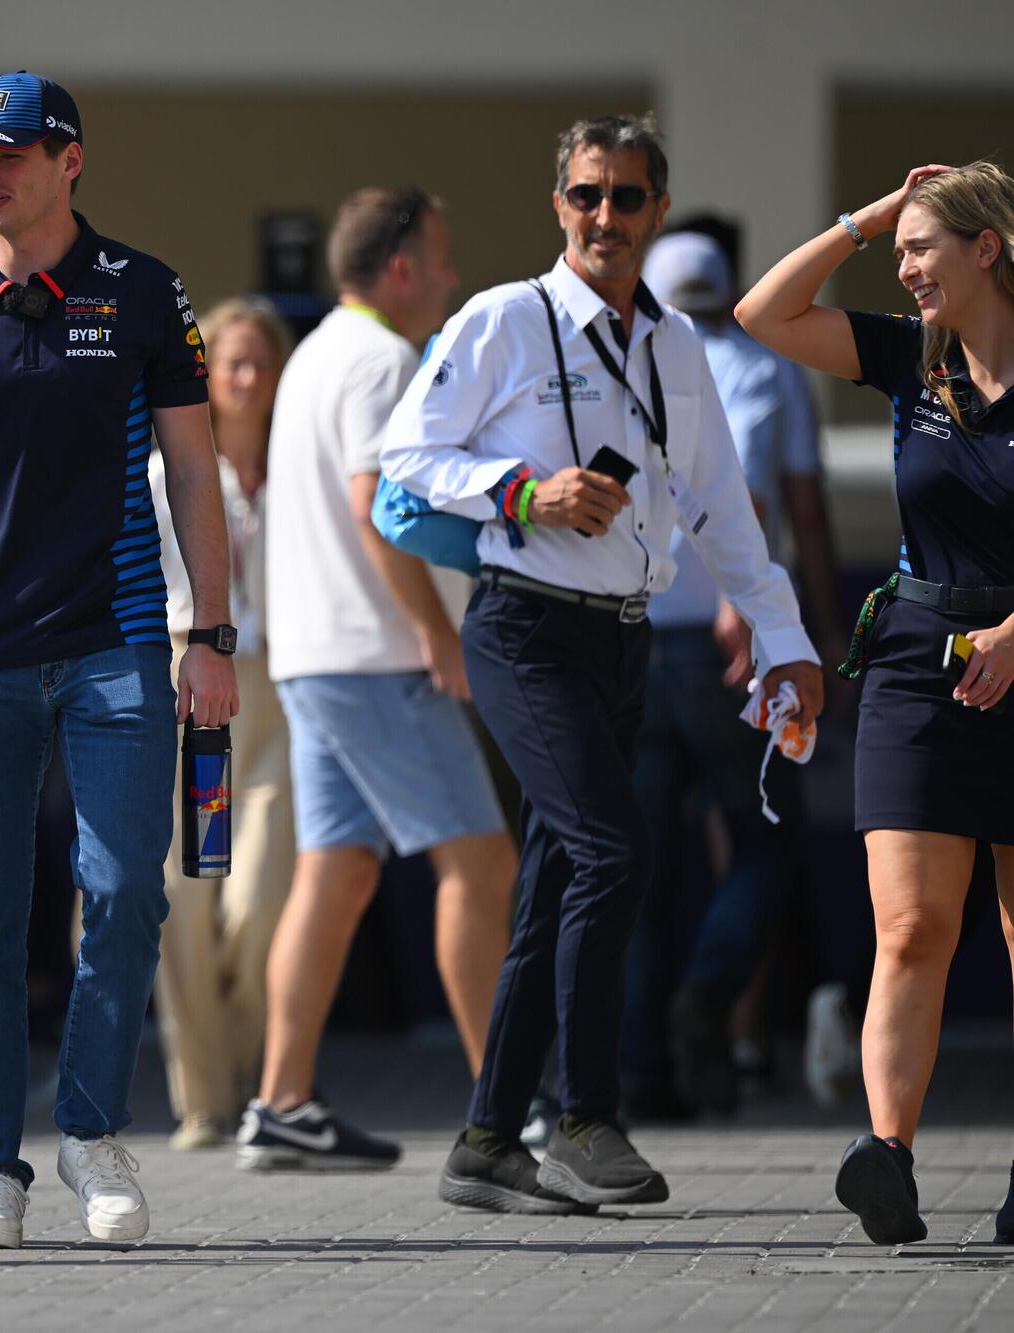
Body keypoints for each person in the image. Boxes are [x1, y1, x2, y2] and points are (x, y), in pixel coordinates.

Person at [382, 114, 823, 1215]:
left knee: (558, 884)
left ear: (656, 211)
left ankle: (487, 1140)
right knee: (611, 849)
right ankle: (582, 1117)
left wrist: (787, 644)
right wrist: (524, 492)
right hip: (521, 627)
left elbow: (725, 512)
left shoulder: (677, 345)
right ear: (557, 205)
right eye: (585, 195)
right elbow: (406, 455)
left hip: (623, 638)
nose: (604, 218)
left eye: (627, 199)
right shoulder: (502, 319)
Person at [0, 71, 236, 1250]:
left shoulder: (140, 290)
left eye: (10, 150)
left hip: (117, 641)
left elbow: (191, 469)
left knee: (124, 892)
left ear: (69, 160)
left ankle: (87, 1132)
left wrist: (209, 631)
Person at [735, 159, 1014, 1247]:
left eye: (921, 248)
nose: (904, 269)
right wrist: (869, 215)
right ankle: (885, 1153)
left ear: (984, 248)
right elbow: (765, 311)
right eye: (898, 252)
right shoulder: (911, 360)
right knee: (908, 926)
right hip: (914, 659)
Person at [242, 188, 517, 1172]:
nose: (450, 277)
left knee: (338, 870)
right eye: (439, 258)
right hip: (377, 656)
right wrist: (434, 635)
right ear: (399, 267)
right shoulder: (379, 359)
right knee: (480, 866)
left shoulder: (317, 351)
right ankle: (506, 1113)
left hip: (317, 655)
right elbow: (377, 508)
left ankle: (280, 1101)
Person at [617, 230, 839, 1119]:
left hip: (635, 637)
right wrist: (815, 631)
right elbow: (800, 511)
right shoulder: (768, 366)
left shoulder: (631, 361)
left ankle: (641, 1073)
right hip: (733, 644)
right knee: (767, 839)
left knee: (644, 866)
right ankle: (712, 992)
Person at [144, 297, 295, 1153]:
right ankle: (205, 1097)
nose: (243, 378)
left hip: (277, 692)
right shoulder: (169, 467)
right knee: (186, 897)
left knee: (263, 896)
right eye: (227, 362)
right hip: (188, 684)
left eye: (258, 363)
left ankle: (250, 1074)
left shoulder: (300, 468)